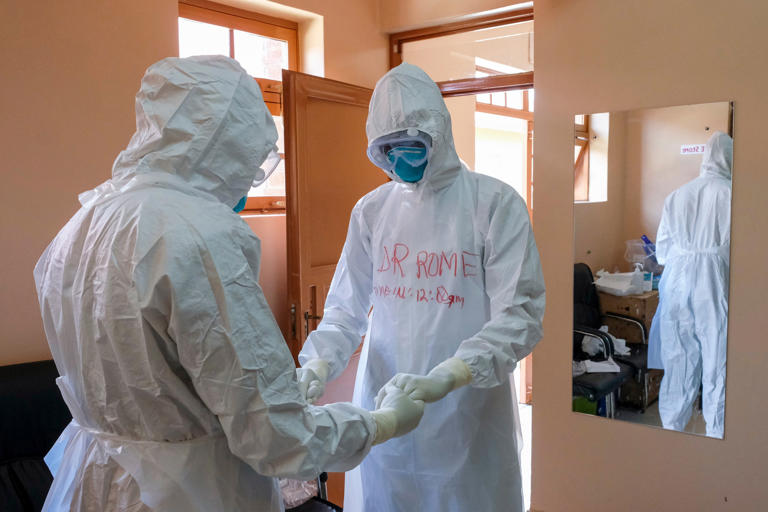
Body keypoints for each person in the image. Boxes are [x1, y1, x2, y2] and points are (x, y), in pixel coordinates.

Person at [33, 56, 425, 512]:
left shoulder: (84, 223)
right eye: (249, 157)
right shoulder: (198, 234)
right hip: (187, 493)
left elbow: (159, 373)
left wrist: (284, 385)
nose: (248, 177)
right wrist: (378, 423)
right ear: (225, 145)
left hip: (94, 482)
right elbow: (276, 437)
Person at [297, 63, 546, 512]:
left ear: (439, 134)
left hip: (467, 411)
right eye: (386, 149)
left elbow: (519, 316)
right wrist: (317, 365)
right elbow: (344, 310)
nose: (398, 159)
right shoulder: (372, 211)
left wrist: (446, 377)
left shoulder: (493, 204)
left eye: (410, 145)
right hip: (385, 405)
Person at [655, 131, 733, 438]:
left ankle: (671, 430)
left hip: (676, 278)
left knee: (678, 357)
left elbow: (662, 250)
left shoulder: (677, 195)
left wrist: (684, 257)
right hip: (714, 280)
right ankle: (717, 434)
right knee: (718, 360)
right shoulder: (731, 194)